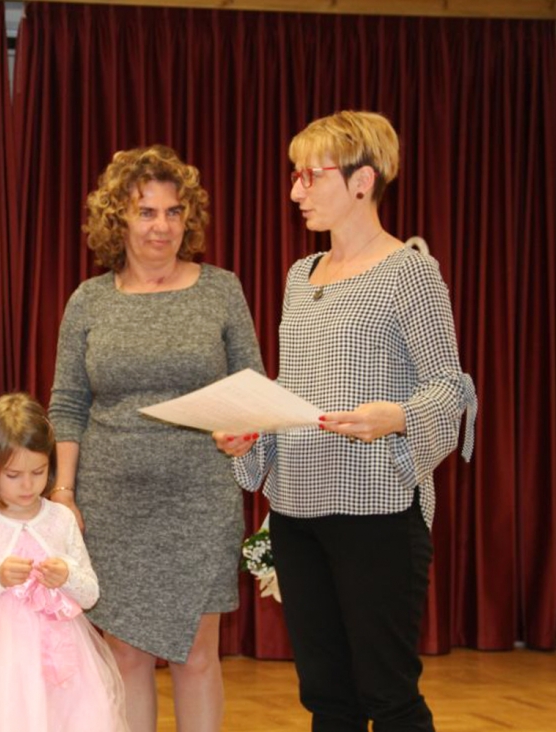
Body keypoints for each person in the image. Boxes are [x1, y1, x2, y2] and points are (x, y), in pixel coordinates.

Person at [215, 110, 477, 731]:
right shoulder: (299, 276)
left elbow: (451, 387)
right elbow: (294, 390)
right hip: (296, 513)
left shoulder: (410, 271)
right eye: (294, 175)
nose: (295, 191)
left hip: (377, 512)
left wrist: (399, 416)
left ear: (363, 180)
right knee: (326, 697)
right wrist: (252, 433)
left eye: (310, 175)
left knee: (388, 694)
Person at [48, 145, 264, 732]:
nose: (162, 226)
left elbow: (252, 387)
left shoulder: (221, 290)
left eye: (174, 212)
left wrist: (244, 430)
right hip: (113, 504)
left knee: (197, 655)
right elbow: (67, 404)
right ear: (117, 219)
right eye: (146, 212)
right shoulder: (89, 300)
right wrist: (63, 493)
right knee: (125, 654)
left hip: (201, 500)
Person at [0, 393, 128, 732]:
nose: (28, 485)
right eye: (13, 475)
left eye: (38, 472)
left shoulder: (60, 518)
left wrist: (67, 576)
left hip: (59, 667)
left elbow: (90, 594)